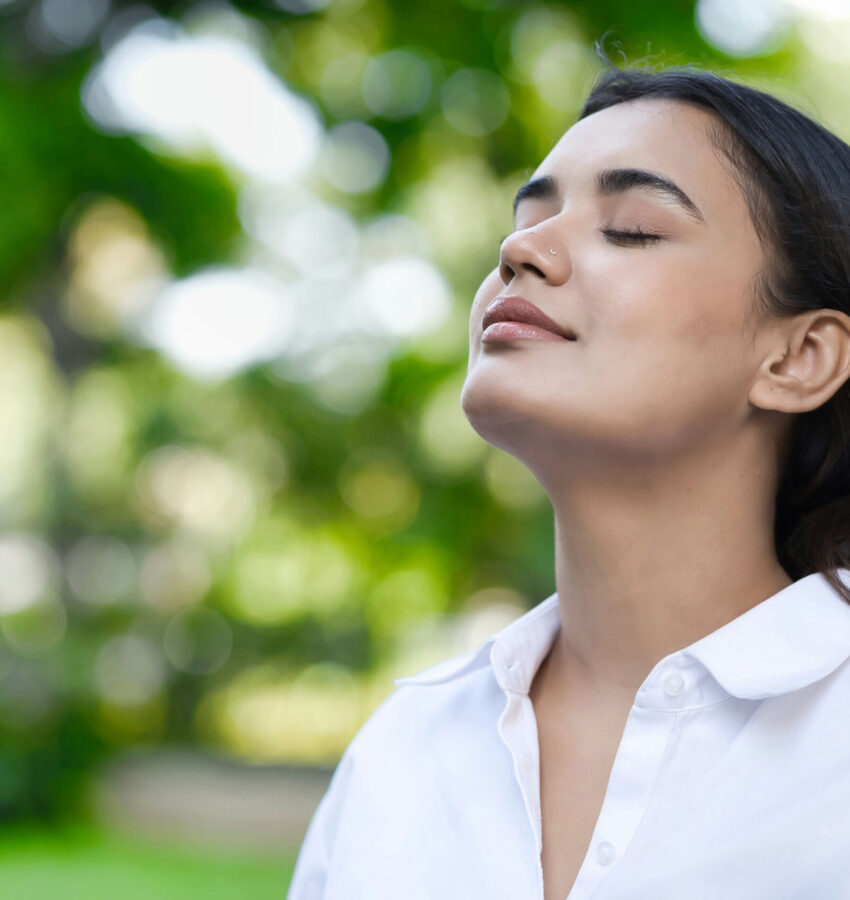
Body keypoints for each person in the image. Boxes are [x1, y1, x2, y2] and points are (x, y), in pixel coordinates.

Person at [286, 59, 850, 900]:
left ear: (799, 357)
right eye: (527, 221)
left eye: (630, 229)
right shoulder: (402, 750)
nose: (520, 250)